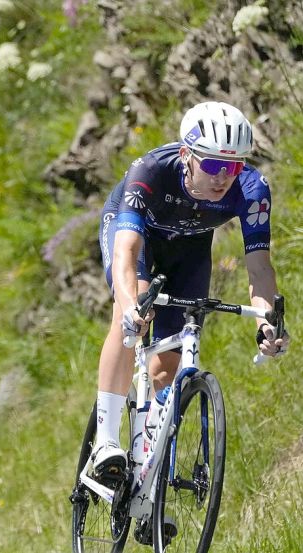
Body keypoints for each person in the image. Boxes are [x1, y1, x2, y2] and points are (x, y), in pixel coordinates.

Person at [89, 101, 289, 484]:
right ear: (186, 156)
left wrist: (268, 323)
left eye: (232, 167)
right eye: (212, 165)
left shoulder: (252, 189)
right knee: (132, 319)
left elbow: (260, 267)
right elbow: (126, 253)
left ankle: (150, 483)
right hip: (136, 235)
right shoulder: (150, 171)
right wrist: (131, 304)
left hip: (191, 248)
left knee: (166, 369)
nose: (223, 177)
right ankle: (106, 440)